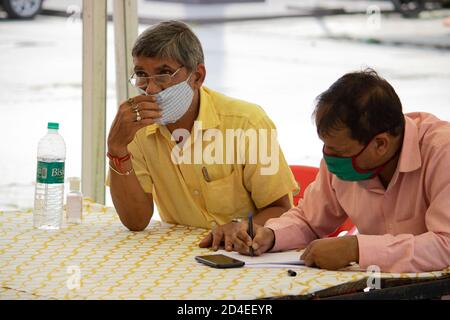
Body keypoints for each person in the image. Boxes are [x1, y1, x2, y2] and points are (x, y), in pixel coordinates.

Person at [106, 20, 298, 251]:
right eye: (141, 75)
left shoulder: (247, 123)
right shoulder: (135, 129)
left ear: (197, 77)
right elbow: (135, 222)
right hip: (178, 259)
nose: (151, 89)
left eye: (163, 74)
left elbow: (282, 209)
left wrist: (240, 227)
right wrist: (117, 149)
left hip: (245, 256)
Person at [233, 69, 450, 273]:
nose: (328, 157)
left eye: (338, 150)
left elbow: (446, 245)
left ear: (380, 144)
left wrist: (356, 249)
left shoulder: (442, 153)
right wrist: (270, 235)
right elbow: (309, 219)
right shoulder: (343, 156)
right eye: (326, 146)